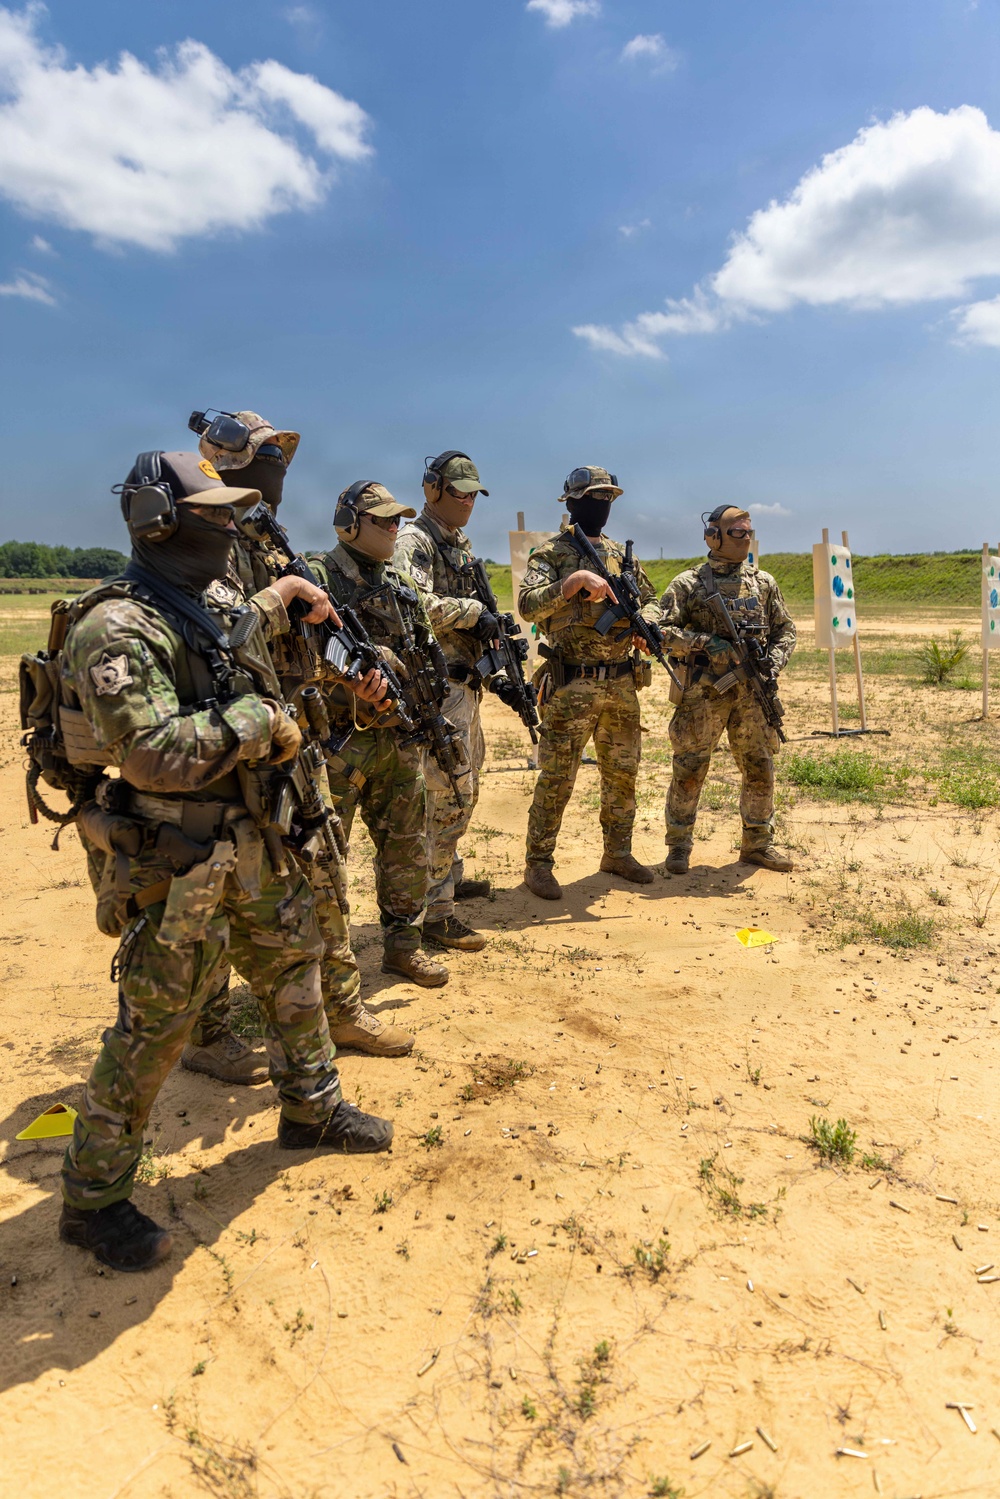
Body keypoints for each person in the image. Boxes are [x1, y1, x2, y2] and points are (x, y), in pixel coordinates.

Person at [59, 451, 394, 1273]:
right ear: (157, 520)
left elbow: (254, 644)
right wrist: (254, 718)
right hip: (178, 863)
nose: (229, 525)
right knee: (156, 1026)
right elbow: (152, 756)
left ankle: (312, 1108)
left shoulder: (208, 602)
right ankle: (92, 1197)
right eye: (212, 512)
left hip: (255, 840)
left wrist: (291, 621)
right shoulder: (118, 628)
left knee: (293, 965)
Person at [192, 410, 414, 1065]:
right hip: (223, 747)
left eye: (282, 460)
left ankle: (342, 1011)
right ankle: (205, 1035)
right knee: (213, 895)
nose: (278, 472)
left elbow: (298, 644)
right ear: (226, 464)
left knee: (324, 878)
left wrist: (355, 678)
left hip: (290, 744)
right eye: (267, 458)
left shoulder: (264, 545)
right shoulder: (194, 540)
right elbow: (217, 640)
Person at [308, 482, 450, 988]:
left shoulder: (400, 583)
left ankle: (403, 947)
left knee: (408, 849)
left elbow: (423, 651)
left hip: (400, 738)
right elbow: (299, 656)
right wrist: (347, 677)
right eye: (383, 520)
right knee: (326, 860)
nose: (395, 528)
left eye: (398, 521)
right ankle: (327, 969)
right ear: (349, 524)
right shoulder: (316, 578)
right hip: (341, 744)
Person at [519, 466, 659, 899]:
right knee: (558, 778)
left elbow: (652, 602)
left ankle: (617, 852)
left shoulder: (622, 554)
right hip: (571, 685)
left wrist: (646, 626)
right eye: (594, 497)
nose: (601, 505)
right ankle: (538, 864)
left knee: (623, 774)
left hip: (620, 683)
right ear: (572, 502)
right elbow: (526, 605)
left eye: (608, 498)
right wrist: (572, 583)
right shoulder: (551, 554)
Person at [393, 450, 496, 953]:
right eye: (460, 492)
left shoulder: (458, 542)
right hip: (437, 689)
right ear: (432, 490)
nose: (469, 502)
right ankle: (436, 913)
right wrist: (472, 610)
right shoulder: (415, 540)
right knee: (449, 793)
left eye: (474, 493)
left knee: (464, 786)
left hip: (464, 687)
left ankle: (446, 878)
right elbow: (408, 606)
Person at [659, 504, 797, 874]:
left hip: (753, 694)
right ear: (714, 536)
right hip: (704, 694)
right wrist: (705, 642)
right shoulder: (689, 583)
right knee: (690, 768)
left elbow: (786, 629)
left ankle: (757, 844)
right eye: (737, 532)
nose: (746, 538)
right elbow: (660, 631)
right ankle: (678, 846)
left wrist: (774, 662)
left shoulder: (763, 582)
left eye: (749, 532)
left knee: (759, 768)